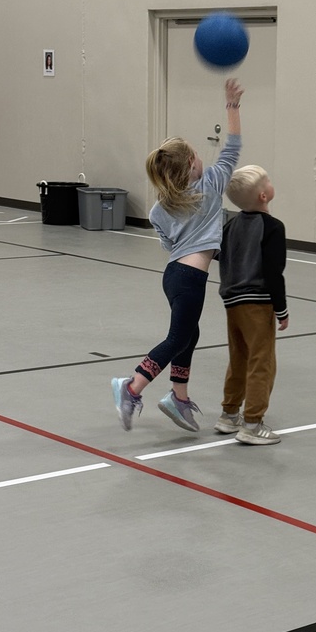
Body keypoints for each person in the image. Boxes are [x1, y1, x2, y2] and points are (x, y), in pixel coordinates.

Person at [111, 78, 244, 432]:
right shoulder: (211, 186)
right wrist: (232, 107)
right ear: (191, 162)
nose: (203, 158)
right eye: (198, 154)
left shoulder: (160, 208)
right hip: (190, 279)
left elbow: (170, 245)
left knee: (190, 334)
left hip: (174, 276)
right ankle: (132, 386)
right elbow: (232, 148)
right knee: (178, 338)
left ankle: (179, 398)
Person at [214, 165, 288, 446]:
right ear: (263, 196)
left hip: (232, 303)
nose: (271, 183)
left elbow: (223, 257)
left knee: (239, 357)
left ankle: (229, 414)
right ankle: (253, 423)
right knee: (262, 361)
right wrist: (280, 308)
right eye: (268, 180)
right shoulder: (272, 228)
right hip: (258, 304)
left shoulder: (231, 225)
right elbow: (273, 272)